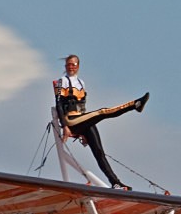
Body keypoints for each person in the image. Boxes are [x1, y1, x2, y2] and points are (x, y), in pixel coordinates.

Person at [54, 54, 149, 190]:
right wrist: (65, 126)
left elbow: (83, 107)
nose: (71, 67)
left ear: (78, 66)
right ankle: (135, 105)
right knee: (102, 112)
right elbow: (58, 105)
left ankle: (115, 183)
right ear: (65, 67)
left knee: (99, 152)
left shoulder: (81, 83)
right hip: (71, 120)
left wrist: (83, 132)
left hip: (82, 120)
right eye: (68, 64)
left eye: (73, 64)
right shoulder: (62, 81)